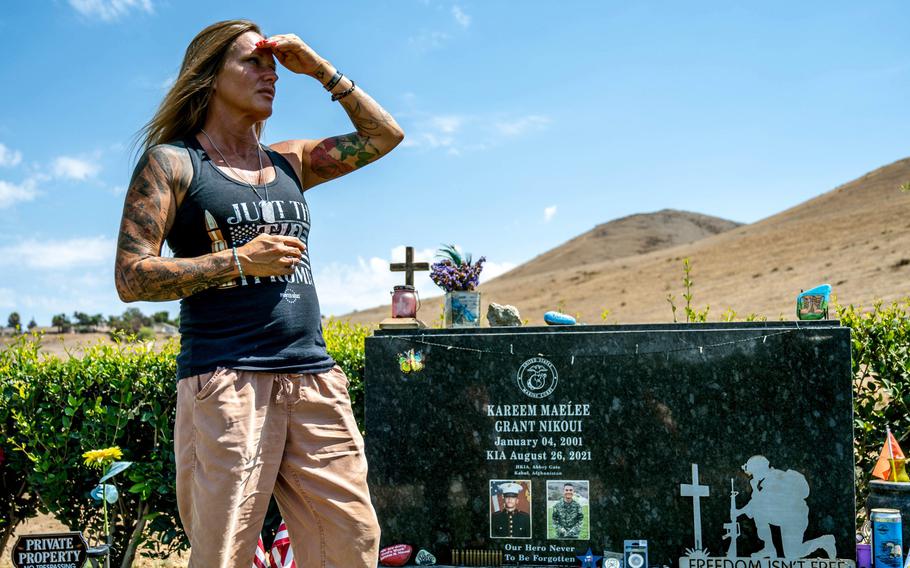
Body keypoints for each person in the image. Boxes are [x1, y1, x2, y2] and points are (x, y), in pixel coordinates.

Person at [114, 20, 404, 568]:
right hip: (226, 380)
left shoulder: (290, 160)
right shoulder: (174, 164)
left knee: (353, 543)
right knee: (223, 553)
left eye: (273, 66)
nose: (270, 74)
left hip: (313, 377)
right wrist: (237, 261)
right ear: (209, 76)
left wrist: (319, 68)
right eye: (252, 62)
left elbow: (384, 136)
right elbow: (131, 275)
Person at [734, 455, 835, 559]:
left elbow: (765, 500)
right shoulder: (766, 481)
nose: (752, 476)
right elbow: (756, 503)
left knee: (793, 553)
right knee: (759, 511)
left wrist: (755, 490)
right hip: (783, 517)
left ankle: (825, 541)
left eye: (754, 472)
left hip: (795, 518)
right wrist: (739, 512)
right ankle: (769, 547)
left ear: (760, 469)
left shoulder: (776, 477)